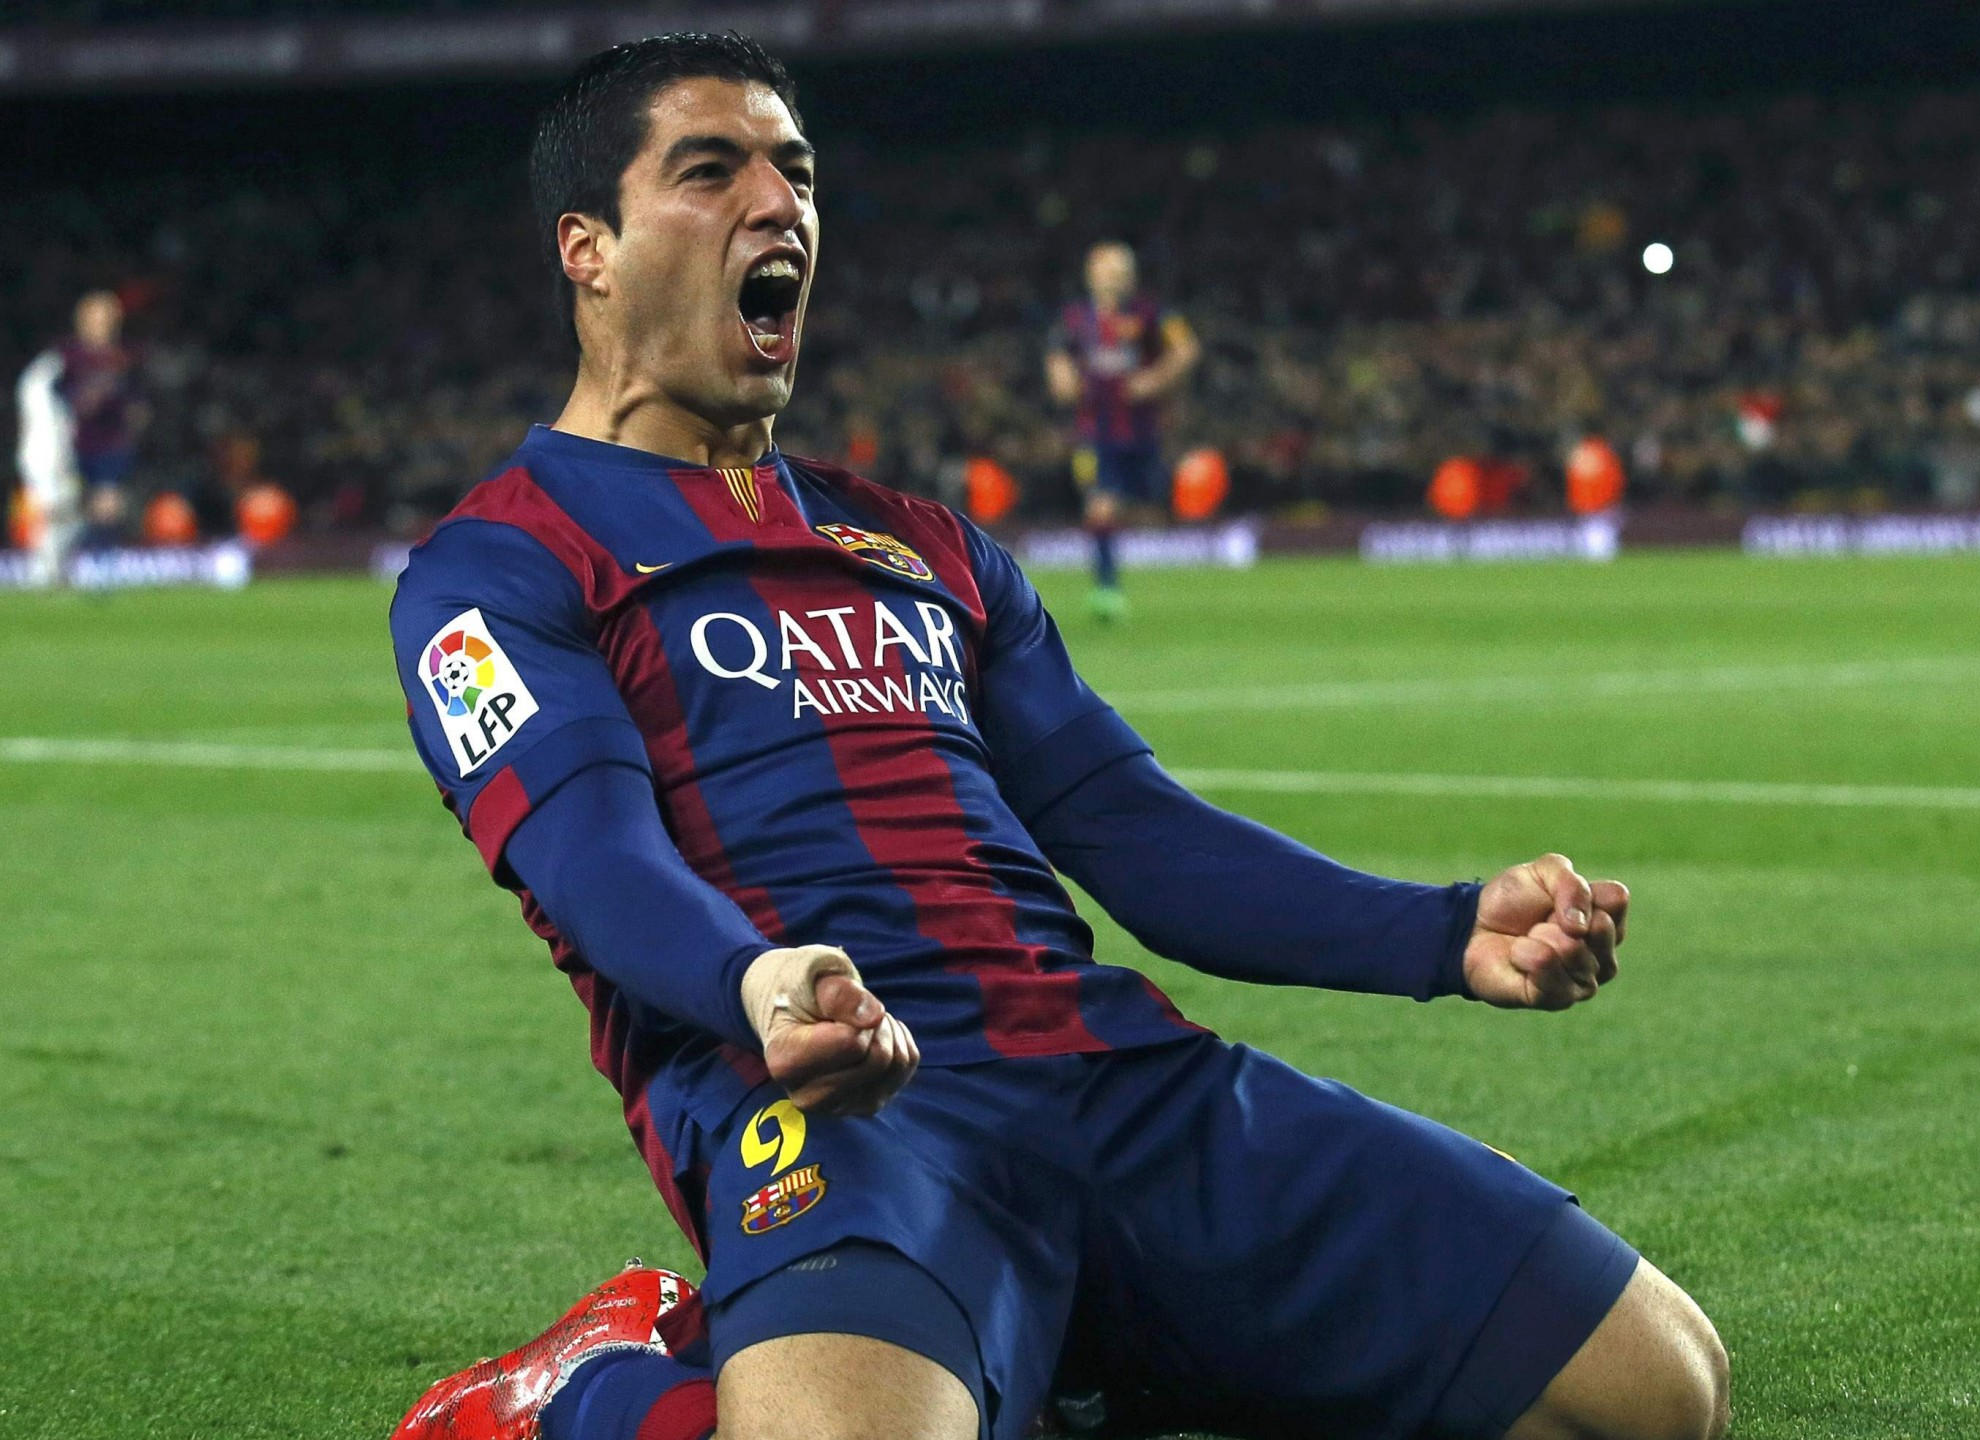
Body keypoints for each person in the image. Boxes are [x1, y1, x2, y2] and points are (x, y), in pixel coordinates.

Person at [386, 33, 1725, 1440]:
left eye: (796, 173)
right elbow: (592, 856)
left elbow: (1130, 829)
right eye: (711, 171)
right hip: (846, 1113)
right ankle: (587, 1393)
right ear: (588, 249)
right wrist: (756, 980)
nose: (776, 204)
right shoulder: (498, 568)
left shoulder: (923, 547)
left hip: (1110, 1077)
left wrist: (1442, 933)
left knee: (1657, 1394)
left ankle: (1067, 1358)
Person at [1043, 241, 1199, 622]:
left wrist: (1155, 379)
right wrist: (1062, 378)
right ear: (1091, 276)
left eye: (1121, 272)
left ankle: (1162, 577)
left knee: (1152, 504)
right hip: (1094, 432)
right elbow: (1057, 354)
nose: (1114, 279)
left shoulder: (1151, 313)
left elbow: (1187, 348)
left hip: (1144, 431)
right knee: (1101, 504)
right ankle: (1106, 588)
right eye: (1107, 272)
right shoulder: (1075, 318)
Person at [58, 289, 148, 546]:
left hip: (111, 444)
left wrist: (135, 415)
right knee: (70, 510)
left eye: (107, 320)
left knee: (107, 506)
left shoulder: (125, 356)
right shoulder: (67, 357)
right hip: (70, 446)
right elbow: (56, 399)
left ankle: (103, 556)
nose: (101, 326)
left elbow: (138, 400)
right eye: (95, 319)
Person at [13, 336, 80, 587]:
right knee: (48, 514)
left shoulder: (55, 397)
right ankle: (43, 572)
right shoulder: (38, 383)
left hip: (57, 460)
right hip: (42, 460)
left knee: (67, 514)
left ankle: (57, 569)